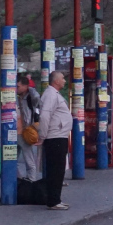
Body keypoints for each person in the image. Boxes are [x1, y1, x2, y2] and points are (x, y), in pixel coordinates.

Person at [37, 71, 71, 210]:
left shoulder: (53, 94)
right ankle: (53, 201)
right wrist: (43, 136)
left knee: (58, 170)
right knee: (55, 170)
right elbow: (45, 116)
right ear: (56, 81)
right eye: (62, 78)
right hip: (54, 136)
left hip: (59, 135)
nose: (64, 81)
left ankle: (56, 199)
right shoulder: (51, 95)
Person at [15, 74, 42, 182]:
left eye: (18, 86)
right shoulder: (17, 97)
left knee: (28, 158)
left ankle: (31, 180)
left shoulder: (31, 97)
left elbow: (37, 98)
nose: (16, 89)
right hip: (15, 132)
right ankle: (20, 179)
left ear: (25, 86)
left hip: (25, 131)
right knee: (11, 159)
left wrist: (30, 87)